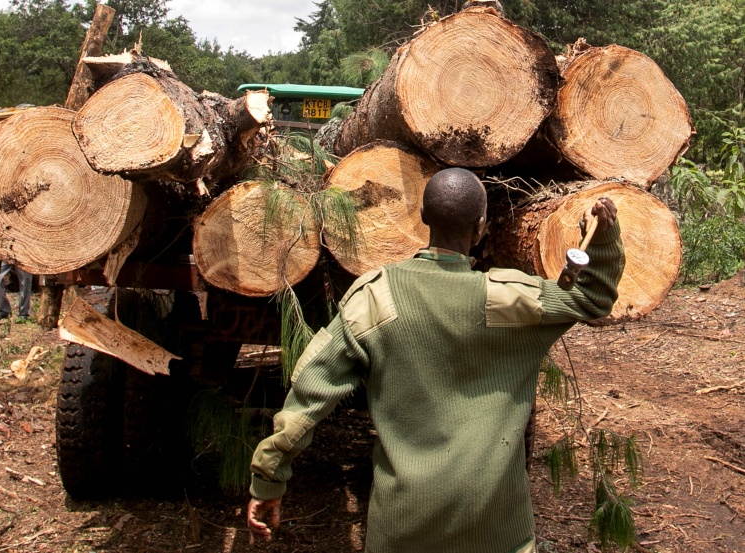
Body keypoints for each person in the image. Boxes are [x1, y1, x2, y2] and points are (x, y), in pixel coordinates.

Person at [246, 168, 625, 552]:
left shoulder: (376, 297)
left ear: (424, 218)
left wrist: (269, 478)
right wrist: (603, 235)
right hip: (497, 532)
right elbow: (593, 298)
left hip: (401, 531)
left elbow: (309, 393)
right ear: (481, 227)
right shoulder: (512, 299)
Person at [0, 256, 33, 323]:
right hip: (8, 255)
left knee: (25, 280)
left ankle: (23, 314)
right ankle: (4, 310)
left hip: (23, 255)